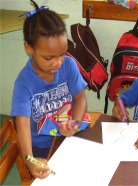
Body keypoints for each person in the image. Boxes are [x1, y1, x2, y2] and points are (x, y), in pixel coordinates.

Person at [10, 0, 87, 179]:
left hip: (67, 137)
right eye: (49, 57)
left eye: (62, 53)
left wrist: (74, 123)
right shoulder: (23, 83)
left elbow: (80, 99)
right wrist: (30, 160)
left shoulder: (69, 65)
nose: (57, 62)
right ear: (29, 48)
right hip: (41, 147)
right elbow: (22, 124)